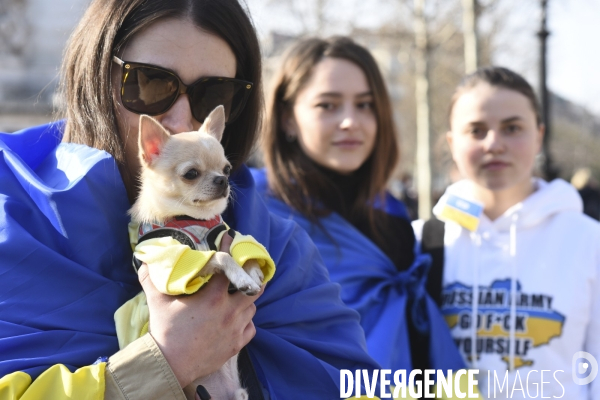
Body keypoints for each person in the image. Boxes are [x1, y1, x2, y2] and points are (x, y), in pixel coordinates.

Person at [0, 1, 382, 399]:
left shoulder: (279, 247)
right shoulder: (12, 220)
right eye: (149, 84)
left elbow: (351, 387)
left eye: (214, 93)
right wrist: (161, 363)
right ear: (94, 80)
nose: (181, 121)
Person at [252, 36, 465, 377]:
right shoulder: (255, 211)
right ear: (287, 118)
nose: (350, 121)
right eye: (328, 105)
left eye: (365, 105)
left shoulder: (391, 215)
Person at [413, 67, 600, 398]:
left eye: (512, 128)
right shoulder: (417, 243)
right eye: (476, 130)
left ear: (539, 135)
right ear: (452, 143)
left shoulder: (589, 242)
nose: (494, 144)